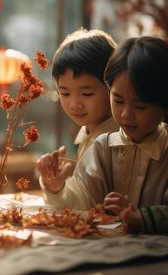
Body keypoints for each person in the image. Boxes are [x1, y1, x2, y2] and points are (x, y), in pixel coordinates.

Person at [41, 36, 168, 234]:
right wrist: (56, 188)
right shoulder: (103, 148)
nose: (126, 114)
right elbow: (83, 204)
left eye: (140, 106)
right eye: (118, 101)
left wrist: (142, 218)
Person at [36, 28, 119, 187]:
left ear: (113, 87)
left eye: (86, 93)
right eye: (65, 93)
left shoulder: (115, 141)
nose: (74, 104)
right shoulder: (88, 132)